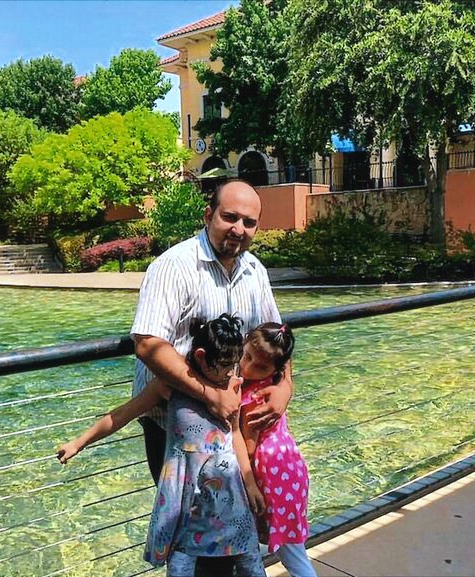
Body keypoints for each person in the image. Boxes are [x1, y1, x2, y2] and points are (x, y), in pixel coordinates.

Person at [131, 179, 293, 576]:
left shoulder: (255, 271)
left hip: (232, 430)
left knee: (235, 536)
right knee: (196, 543)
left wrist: (285, 385)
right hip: (178, 432)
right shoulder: (173, 266)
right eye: (230, 217)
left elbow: (277, 335)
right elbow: (149, 344)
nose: (239, 228)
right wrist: (209, 393)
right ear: (208, 216)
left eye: (249, 222)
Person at [57, 315, 266, 577]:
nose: (230, 372)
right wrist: (79, 442)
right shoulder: (169, 386)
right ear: (201, 356)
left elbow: (234, 434)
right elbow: (123, 414)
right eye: (224, 365)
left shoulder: (232, 385)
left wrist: (251, 484)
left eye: (233, 365)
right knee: (179, 569)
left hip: (231, 498)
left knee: (252, 567)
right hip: (186, 500)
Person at [239, 323, 316, 577]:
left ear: (277, 369)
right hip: (290, 472)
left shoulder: (252, 399)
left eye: (259, 366)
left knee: (293, 556)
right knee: (293, 547)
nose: (247, 367)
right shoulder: (271, 390)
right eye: (246, 356)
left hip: (272, 479)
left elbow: (249, 447)